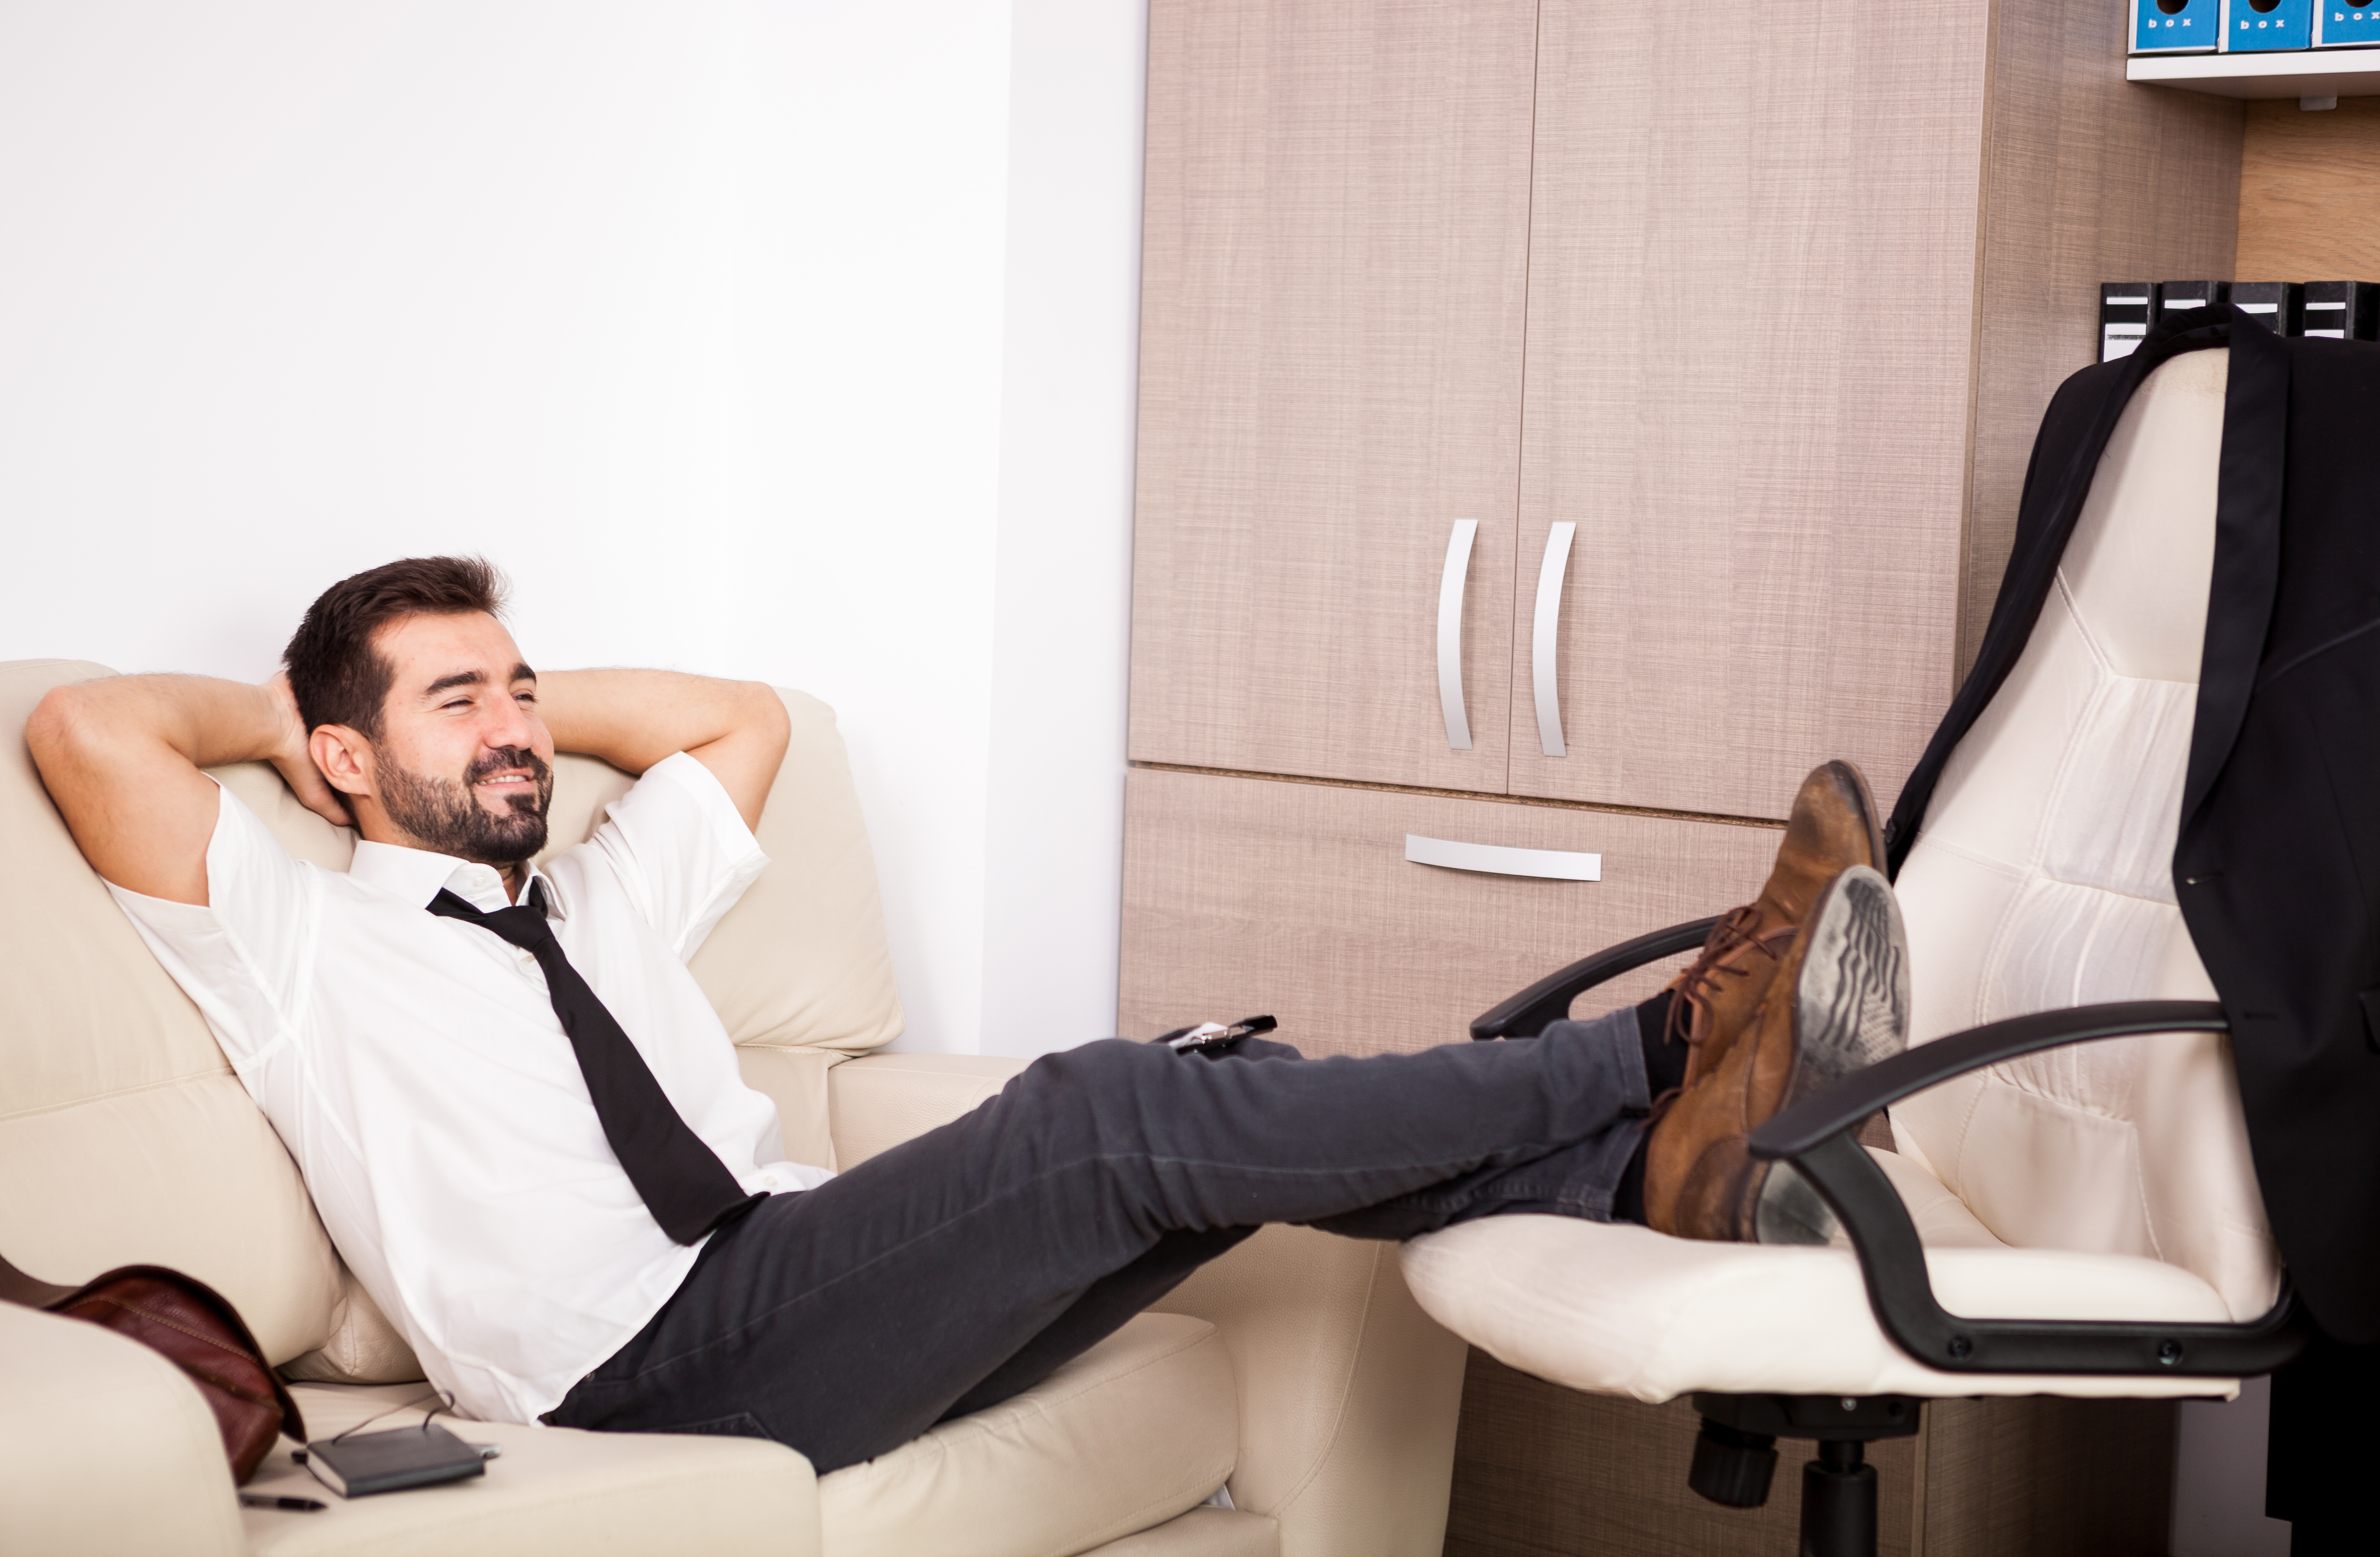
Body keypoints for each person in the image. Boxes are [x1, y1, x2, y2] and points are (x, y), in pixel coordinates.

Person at [26, 555, 1909, 1473]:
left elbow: (735, 719)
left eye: (525, 690)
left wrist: (496, 693)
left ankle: (1665, 1179)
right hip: (633, 1378)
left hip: (785, 1272)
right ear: (345, 756)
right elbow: (87, 732)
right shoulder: (289, 934)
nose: (523, 727)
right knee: (1099, 1110)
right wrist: (305, 728)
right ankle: (1672, 1055)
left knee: (1194, 1107)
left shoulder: (603, 891)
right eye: (466, 704)